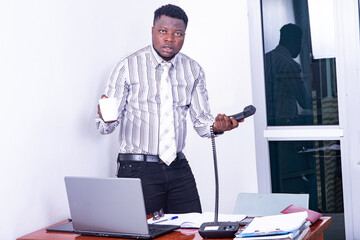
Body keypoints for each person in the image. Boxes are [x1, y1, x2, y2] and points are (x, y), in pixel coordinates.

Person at [96, 4, 240, 215]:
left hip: (178, 167)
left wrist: (217, 127)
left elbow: (202, 123)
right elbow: (104, 127)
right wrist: (108, 119)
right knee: (142, 232)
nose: (170, 39)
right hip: (137, 170)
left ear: (184, 35)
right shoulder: (127, 66)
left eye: (178, 33)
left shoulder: (193, 70)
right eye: (163, 31)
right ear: (152, 31)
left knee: (191, 230)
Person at [265, 23, 312, 126]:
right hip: (283, 124)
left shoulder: (265, 59)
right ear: (293, 42)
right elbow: (303, 101)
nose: (300, 48)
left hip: (266, 122)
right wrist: (321, 104)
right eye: (300, 43)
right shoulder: (289, 65)